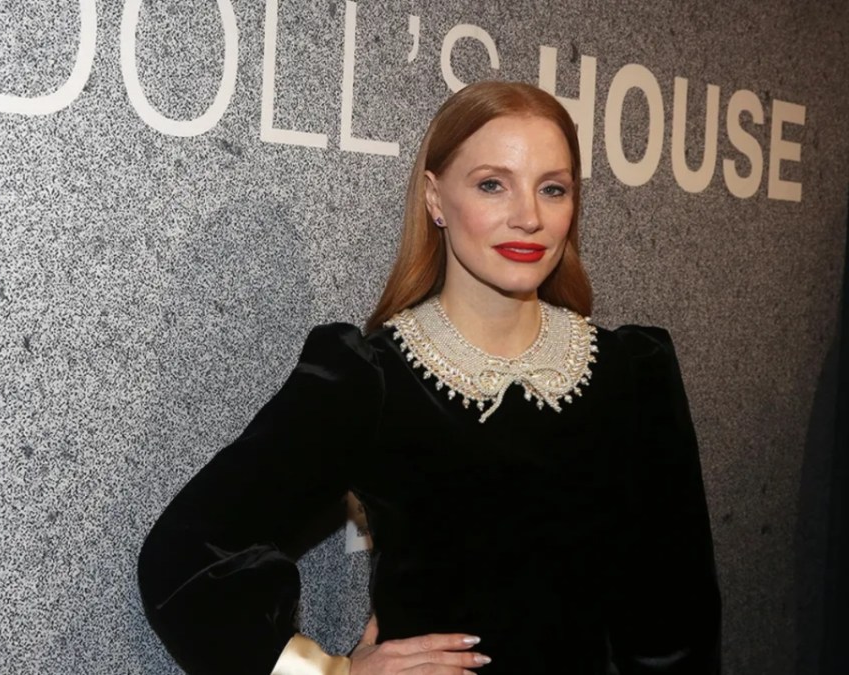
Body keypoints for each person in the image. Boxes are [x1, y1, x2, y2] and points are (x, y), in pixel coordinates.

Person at [137, 81, 721, 675]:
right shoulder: (370, 379)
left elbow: (677, 619)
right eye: (493, 184)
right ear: (435, 199)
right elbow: (187, 557)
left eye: (554, 189)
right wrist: (330, 673)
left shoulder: (632, 373)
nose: (529, 216)